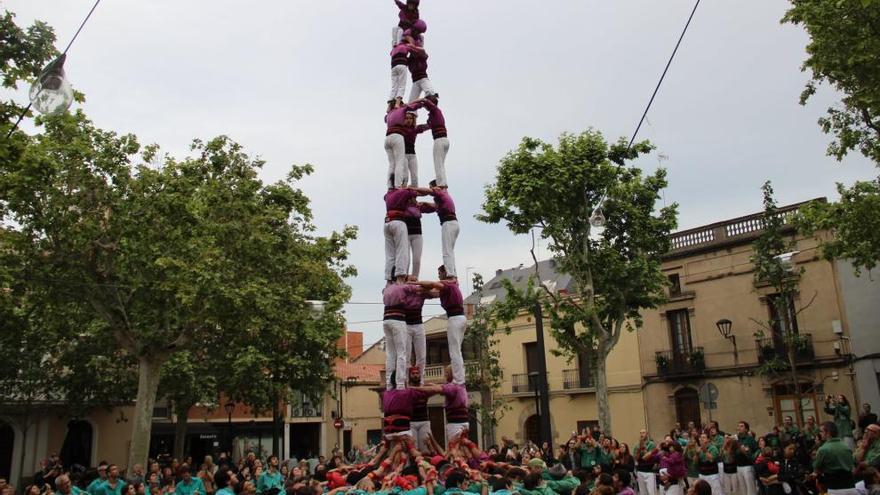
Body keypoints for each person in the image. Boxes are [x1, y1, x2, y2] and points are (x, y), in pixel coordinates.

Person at [383, 279, 424, 390]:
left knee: (390, 354)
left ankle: (388, 383)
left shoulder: (388, 288)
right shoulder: (403, 287)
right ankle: (400, 383)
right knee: (402, 353)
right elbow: (418, 288)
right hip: (397, 320)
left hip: (386, 319)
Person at [414, 365, 469, 444]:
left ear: (453, 373)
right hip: (461, 422)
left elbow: (435, 389)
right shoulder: (460, 386)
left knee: (454, 447)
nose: (445, 374)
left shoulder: (452, 387)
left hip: (455, 424)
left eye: (447, 372)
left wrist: (414, 388)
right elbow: (437, 387)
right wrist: (428, 385)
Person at [385, 101, 426, 190]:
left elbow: (425, 126)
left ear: (413, 119)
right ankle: (401, 191)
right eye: (406, 118)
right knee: (405, 176)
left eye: (410, 118)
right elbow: (387, 118)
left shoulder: (415, 129)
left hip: (412, 155)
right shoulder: (400, 128)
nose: (408, 120)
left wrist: (431, 123)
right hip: (403, 155)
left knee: (415, 177)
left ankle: (413, 196)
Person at [813, 421, 857, 495]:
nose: (820, 434)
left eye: (821, 431)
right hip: (851, 487)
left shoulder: (823, 449)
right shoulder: (846, 447)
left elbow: (816, 469)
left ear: (828, 432)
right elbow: (852, 466)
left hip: (835, 488)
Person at [415, 95, 449, 187]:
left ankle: (441, 184)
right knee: (440, 164)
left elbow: (429, 104)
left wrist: (421, 100)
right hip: (444, 140)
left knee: (438, 164)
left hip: (439, 140)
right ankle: (440, 181)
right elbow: (427, 126)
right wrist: (416, 129)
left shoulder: (436, 110)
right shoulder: (433, 115)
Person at [429, 181, 459, 279]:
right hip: (453, 223)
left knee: (447, 251)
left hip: (448, 223)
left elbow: (430, 192)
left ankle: (450, 274)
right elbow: (431, 206)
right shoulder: (443, 197)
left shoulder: (440, 193)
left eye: (431, 187)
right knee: (450, 251)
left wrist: (413, 190)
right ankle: (452, 272)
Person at [403, 278, 432, 379]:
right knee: (406, 355)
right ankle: (407, 379)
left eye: (415, 280)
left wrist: (422, 286)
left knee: (422, 355)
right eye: (411, 280)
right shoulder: (403, 291)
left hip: (418, 325)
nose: (414, 282)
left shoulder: (420, 291)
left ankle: (420, 379)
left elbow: (433, 290)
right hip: (406, 326)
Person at [406, 22, 436, 103]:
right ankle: (411, 113)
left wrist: (413, 46)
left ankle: (431, 100)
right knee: (411, 102)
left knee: (430, 93)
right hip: (415, 81)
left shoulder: (422, 55)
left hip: (423, 78)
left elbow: (423, 52)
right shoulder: (410, 59)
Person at [407, 367, 431, 452]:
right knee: (414, 449)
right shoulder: (406, 390)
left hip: (424, 421)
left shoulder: (424, 389)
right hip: (411, 422)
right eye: (413, 374)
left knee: (425, 448)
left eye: (417, 373)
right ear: (409, 376)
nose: (415, 375)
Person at [736, 421, 758, 495]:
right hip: (738, 466)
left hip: (747, 466)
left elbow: (754, 450)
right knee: (743, 490)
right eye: (738, 426)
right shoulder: (736, 439)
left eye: (741, 426)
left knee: (750, 489)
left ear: (746, 429)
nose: (739, 428)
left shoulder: (750, 439)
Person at [635, 430, 658, 495]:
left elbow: (646, 457)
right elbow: (636, 458)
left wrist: (643, 448)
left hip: (649, 471)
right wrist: (639, 448)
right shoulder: (637, 445)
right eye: (640, 433)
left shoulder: (651, 444)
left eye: (643, 432)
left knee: (651, 492)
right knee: (643, 492)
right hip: (640, 470)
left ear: (647, 434)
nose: (642, 434)